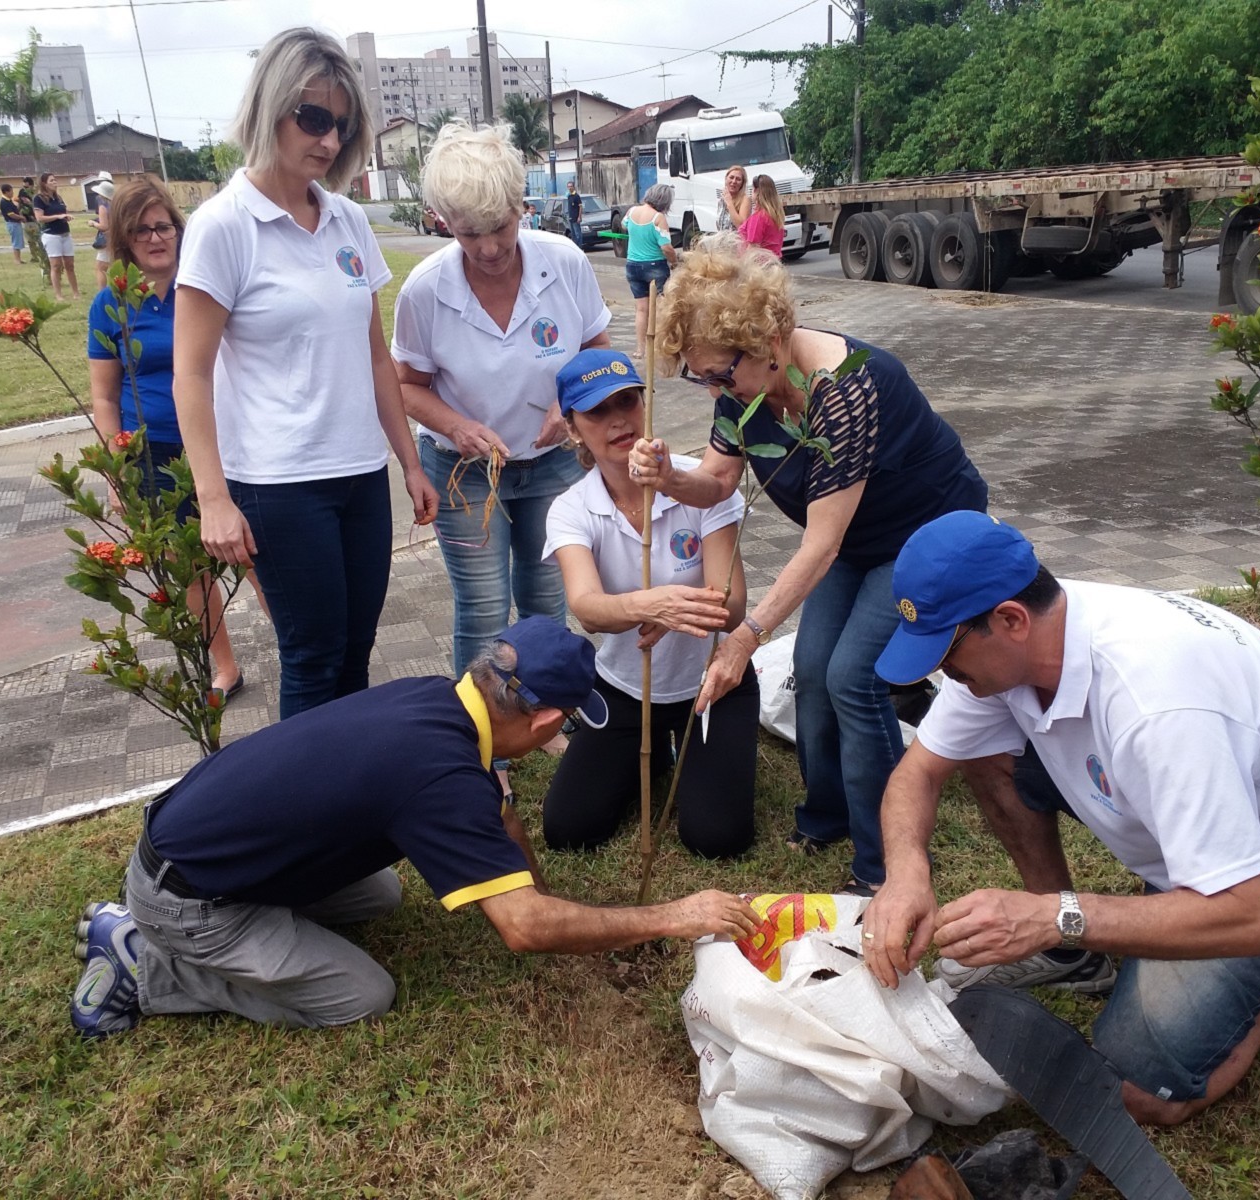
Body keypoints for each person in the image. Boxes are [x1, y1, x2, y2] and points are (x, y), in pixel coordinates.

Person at [862, 510, 1260, 1125]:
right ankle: (1072, 954)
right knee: (978, 746)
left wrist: (1050, 917)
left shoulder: (1157, 703)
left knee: (1137, 1089)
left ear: (1011, 620)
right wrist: (905, 873)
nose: (941, 673)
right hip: (1205, 838)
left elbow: (1248, 915)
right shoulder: (1035, 636)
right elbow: (919, 772)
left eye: (946, 652)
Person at [68, 617, 761, 1039]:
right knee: (361, 995)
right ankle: (142, 960)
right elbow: (524, 928)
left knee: (383, 894)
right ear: (549, 722)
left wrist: (541, 887)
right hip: (187, 896)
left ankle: (206, 923)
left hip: (189, 837)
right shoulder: (439, 779)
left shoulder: (437, 698)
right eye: (568, 725)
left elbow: (500, 820)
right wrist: (671, 916)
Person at [628, 236, 988, 895]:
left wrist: (745, 636)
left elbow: (820, 546)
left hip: (924, 534)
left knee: (853, 677)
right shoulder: (740, 388)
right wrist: (669, 478)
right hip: (853, 539)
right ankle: (829, 813)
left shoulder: (846, 392)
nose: (713, 391)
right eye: (701, 378)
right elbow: (718, 480)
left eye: (719, 376)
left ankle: (885, 862)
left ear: (769, 340)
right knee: (812, 668)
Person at [175, 27, 439, 720]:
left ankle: (347, 781)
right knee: (313, 655)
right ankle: (305, 791)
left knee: (355, 650)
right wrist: (212, 498)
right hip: (279, 483)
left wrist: (410, 463)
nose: (327, 140)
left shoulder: (347, 220)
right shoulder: (223, 226)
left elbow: (374, 355)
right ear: (271, 107)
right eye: (313, 117)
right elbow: (191, 375)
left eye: (341, 125)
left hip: (359, 473)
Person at [393, 120, 611, 795]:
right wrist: (457, 424)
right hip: (466, 474)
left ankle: (546, 718)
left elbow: (598, 354)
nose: (488, 248)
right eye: (467, 233)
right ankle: (485, 750)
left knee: (546, 602)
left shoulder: (564, 263)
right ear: (443, 222)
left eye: (500, 227)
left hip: (552, 464)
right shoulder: (425, 291)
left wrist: (571, 405)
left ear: (522, 205)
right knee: (484, 609)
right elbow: (406, 385)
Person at [541, 349, 757, 858]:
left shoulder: (700, 484)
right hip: (624, 686)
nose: (618, 420)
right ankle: (656, 750)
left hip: (713, 682)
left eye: (627, 401)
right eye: (597, 411)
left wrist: (672, 611)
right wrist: (650, 605)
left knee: (716, 840)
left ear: (646, 403)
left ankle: (687, 747)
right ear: (572, 429)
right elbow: (588, 609)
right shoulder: (571, 509)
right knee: (568, 830)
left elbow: (733, 605)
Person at [87, 177, 242, 699]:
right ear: (123, 240)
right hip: (152, 455)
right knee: (190, 568)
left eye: (164, 226)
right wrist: (116, 470)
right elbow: (104, 398)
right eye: (141, 230)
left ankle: (304, 660)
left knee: (255, 557)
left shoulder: (205, 288)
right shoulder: (110, 305)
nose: (156, 238)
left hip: (223, 446)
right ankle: (225, 667)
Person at [623, 183, 678, 345]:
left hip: (632, 265)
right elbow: (666, 248)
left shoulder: (632, 211)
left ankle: (641, 348)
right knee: (660, 308)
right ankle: (659, 346)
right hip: (654, 266)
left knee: (641, 309)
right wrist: (674, 262)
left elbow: (624, 225)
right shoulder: (658, 218)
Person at [31, 172, 80, 300]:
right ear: (44, 183)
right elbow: (39, 218)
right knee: (56, 265)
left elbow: (62, 212)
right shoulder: (39, 199)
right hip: (51, 235)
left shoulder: (58, 198)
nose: (54, 182)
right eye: (51, 180)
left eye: (55, 180)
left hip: (65, 233)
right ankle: (58, 295)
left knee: (70, 265)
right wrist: (57, 217)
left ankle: (76, 292)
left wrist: (66, 217)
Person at [738, 174, 786, 260]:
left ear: (756, 190)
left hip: (759, 264)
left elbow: (753, 248)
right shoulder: (775, 215)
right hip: (774, 261)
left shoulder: (758, 217)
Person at [89, 175, 113, 294]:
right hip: (116, 236)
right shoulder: (115, 205)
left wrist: (93, 223)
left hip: (107, 238)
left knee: (101, 268)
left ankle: (102, 292)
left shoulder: (103, 206)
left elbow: (104, 226)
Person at [716, 164, 750, 233]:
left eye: (738, 179)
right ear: (726, 179)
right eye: (731, 177)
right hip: (723, 238)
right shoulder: (722, 199)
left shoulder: (745, 199)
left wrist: (729, 203)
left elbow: (741, 226)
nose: (734, 181)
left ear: (742, 183)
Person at [0, 183, 24, 265]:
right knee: (16, 241)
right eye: (11, 191)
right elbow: (11, 214)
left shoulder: (9, 201)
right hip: (12, 224)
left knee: (18, 241)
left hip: (15, 223)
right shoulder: (4, 202)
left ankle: (19, 259)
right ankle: (16, 260)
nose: (12, 193)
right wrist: (21, 217)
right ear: (6, 192)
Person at [566, 180, 583, 247]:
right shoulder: (569, 196)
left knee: (578, 234)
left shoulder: (576, 196)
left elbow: (580, 207)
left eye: (571, 186)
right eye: (568, 186)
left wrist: (579, 217)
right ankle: (575, 247)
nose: (570, 188)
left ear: (573, 187)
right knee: (573, 235)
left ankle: (579, 247)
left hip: (576, 218)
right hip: (571, 218)